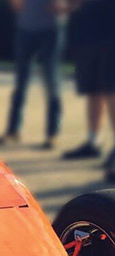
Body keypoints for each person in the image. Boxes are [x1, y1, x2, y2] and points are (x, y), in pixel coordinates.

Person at [0, 0, 67, 149]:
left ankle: (52, 133)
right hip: (25, 27)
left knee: (51, 82)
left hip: (51, 27)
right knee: (20, 82)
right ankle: (13, 131)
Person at [62, 0, 115, 170]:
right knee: (93, 89)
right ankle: (93, 141)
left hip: (110, 32)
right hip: (89, 34)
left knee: (111, 90)